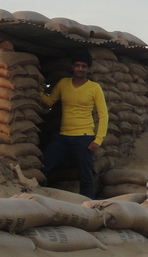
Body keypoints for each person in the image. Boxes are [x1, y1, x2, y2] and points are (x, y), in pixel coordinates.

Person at [38, 49, 108, 198]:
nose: (80, 69)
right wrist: (38, 90)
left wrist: (98, 139)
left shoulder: (94, 88)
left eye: (83, 66)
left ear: (88, 69)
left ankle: (89, 208)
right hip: (63, 137)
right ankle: (40, 198)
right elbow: (49, 101)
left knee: (85, 177)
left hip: (84, 138)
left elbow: (103, 115)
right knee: (43, 166)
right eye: (77, 65)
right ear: (72, 67)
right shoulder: (63, 84)